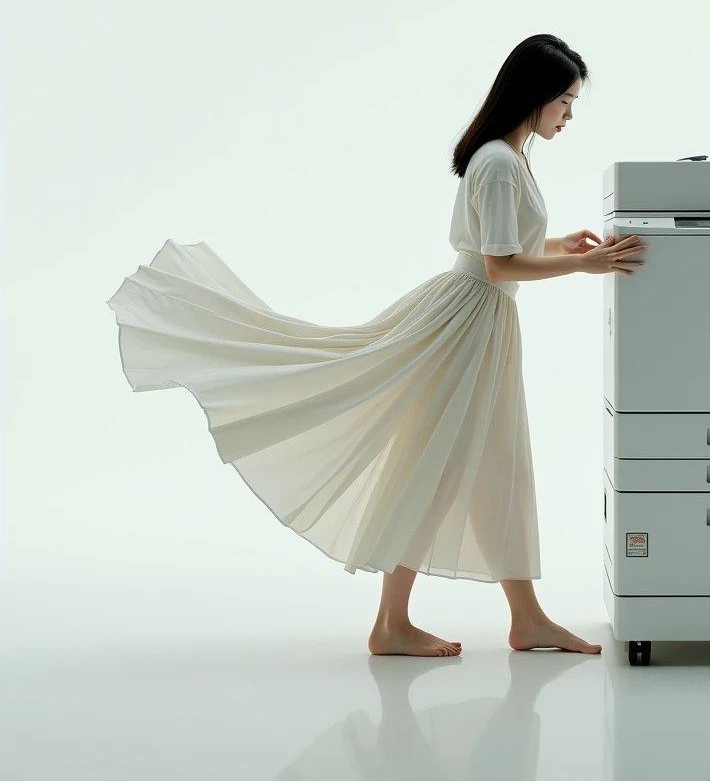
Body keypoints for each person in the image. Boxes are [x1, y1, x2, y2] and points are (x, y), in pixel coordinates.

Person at [105, 33, 648, 658]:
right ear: (537, 97)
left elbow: (502, 250)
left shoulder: (513, 157)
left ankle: (525, 618)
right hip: (470, 321)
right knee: (441, 466)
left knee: (499, 465)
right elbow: (497, 266)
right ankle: (394, 624)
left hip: (484, 321)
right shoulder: (499, 161)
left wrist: (563, 247)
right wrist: (589, 266)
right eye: (566, 102)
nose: (570, 116)